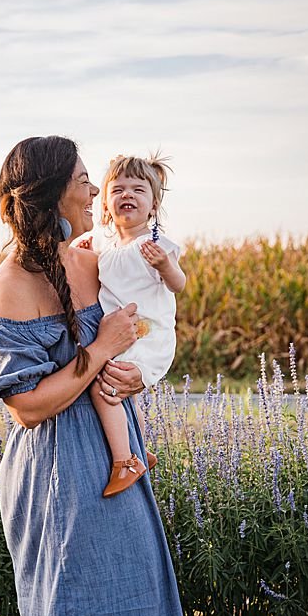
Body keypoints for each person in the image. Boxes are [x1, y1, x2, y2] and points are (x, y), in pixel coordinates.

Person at [0, 135, 194, 616]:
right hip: (58, 472)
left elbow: (148, 324)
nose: (95, 193)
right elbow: (28, 404)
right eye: (83, 182)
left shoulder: (91, 258)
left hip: (113, 452)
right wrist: (101, 351)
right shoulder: (11, 282)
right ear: (47, 194)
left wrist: (131, 371)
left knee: (136, 602)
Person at [87, 153, 186, 497]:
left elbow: (179, 285)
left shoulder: (154, 246)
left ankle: (125, 460)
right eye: (118, 189)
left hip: (147, 337)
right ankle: (140, 450)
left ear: (153, 205)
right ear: (105, 205)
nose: (127, 194)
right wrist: (85, 245)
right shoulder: (108, 245)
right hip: (124, 337)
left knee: (105, 390)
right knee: (119, 394)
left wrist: (166, 267)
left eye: (138, 189)